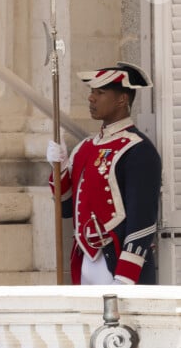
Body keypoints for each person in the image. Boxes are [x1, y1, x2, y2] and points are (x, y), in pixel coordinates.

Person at [47, 61, 161, 285]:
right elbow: (66, 207)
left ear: (122, 99)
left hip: (118, 264)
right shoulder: (85, 148)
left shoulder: (138, 149)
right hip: (85, 263)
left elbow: (143, 220)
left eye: (100, 92)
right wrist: (57, 167)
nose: (91, 98)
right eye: (92, 92)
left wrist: (125, 277)